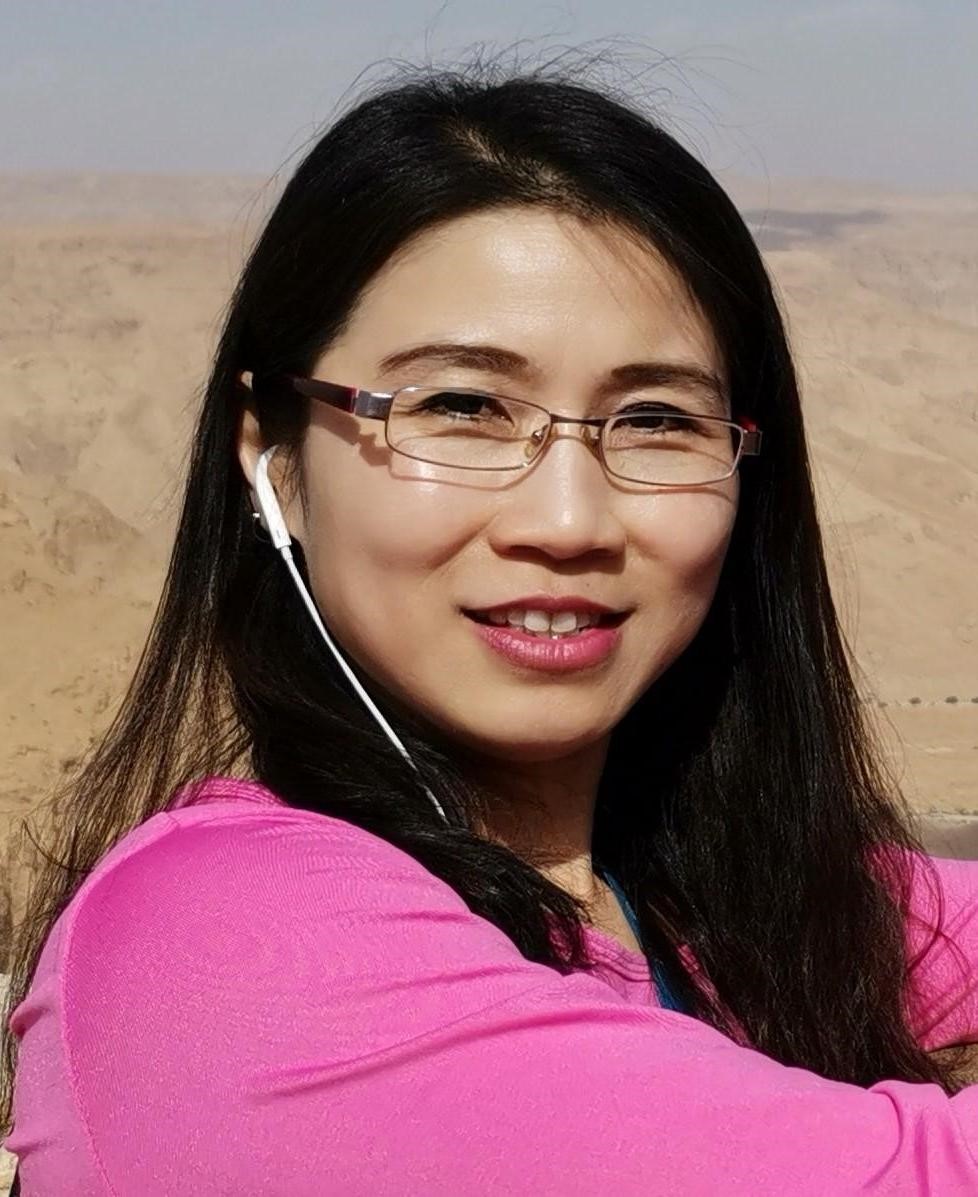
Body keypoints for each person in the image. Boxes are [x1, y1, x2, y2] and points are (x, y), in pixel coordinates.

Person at [2, 57, 978, 1195]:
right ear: (273, 455)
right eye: (460, 406)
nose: (568, 522)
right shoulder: (220, 947)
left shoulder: (695, 901)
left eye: (656, 419)